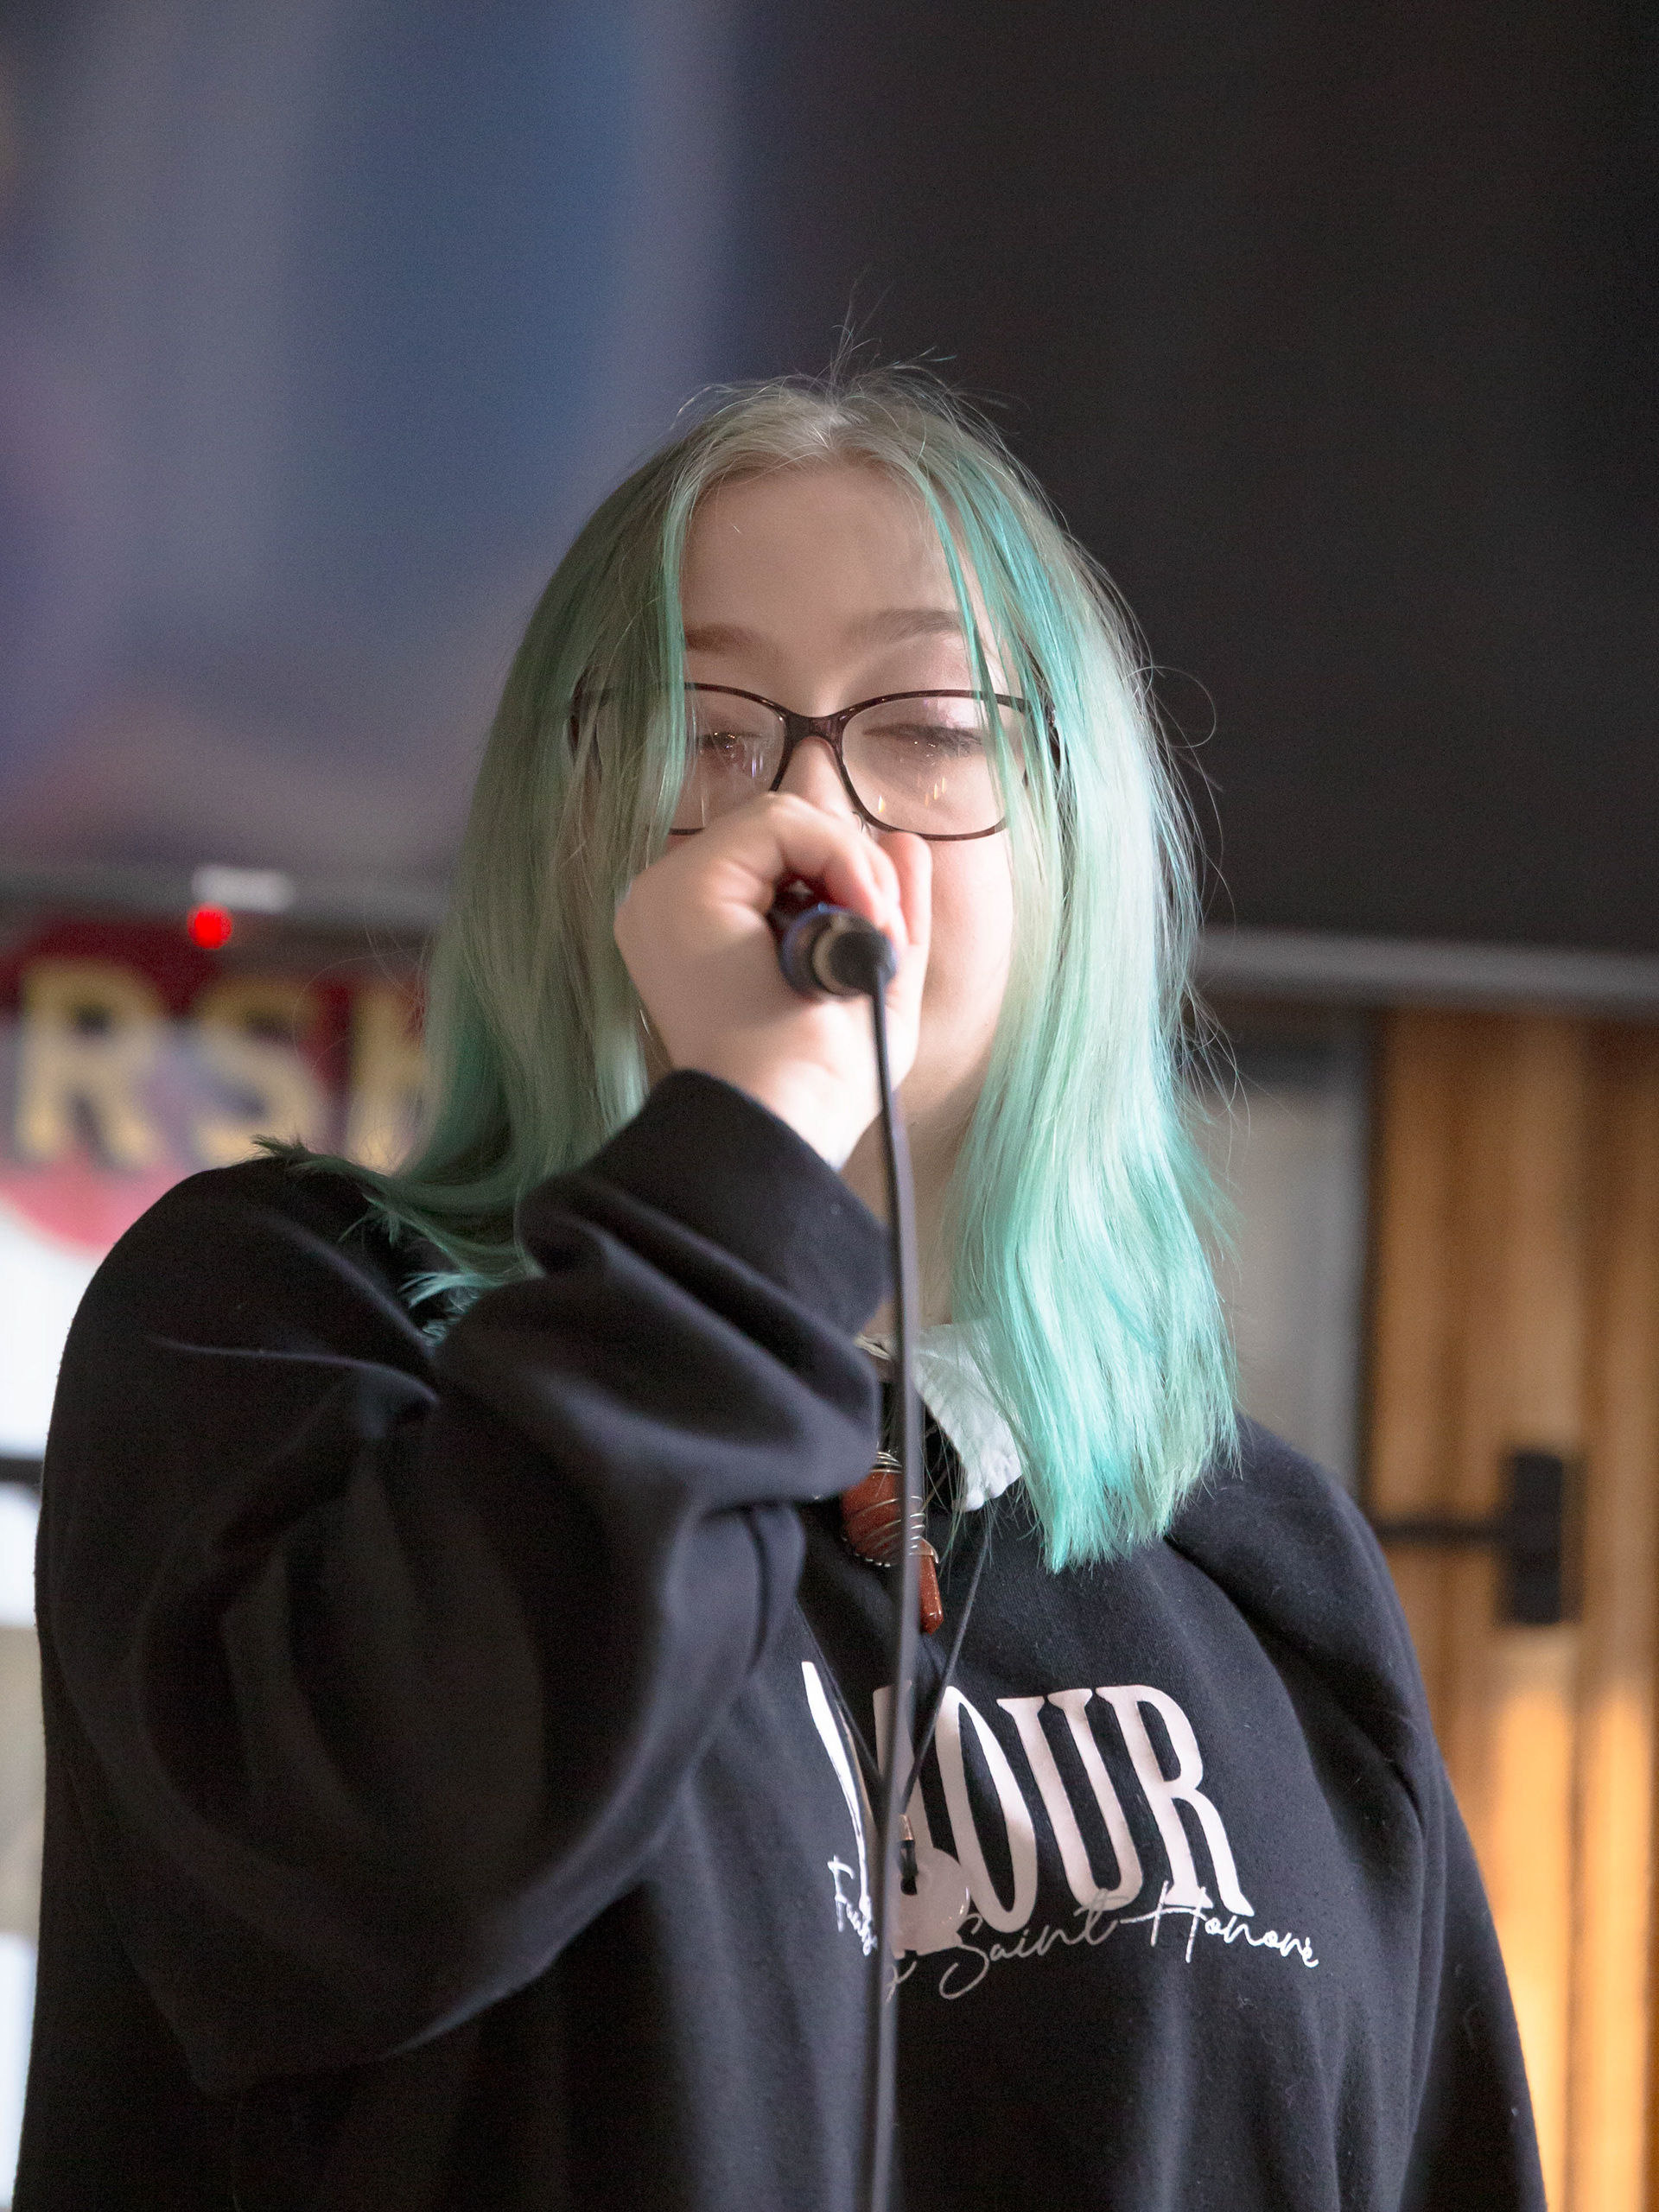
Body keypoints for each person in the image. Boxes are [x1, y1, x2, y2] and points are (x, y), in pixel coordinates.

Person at [16, 372, 1543, 2211]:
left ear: (1075, 837)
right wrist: (745, 1136)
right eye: (706, 730)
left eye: (930, 724)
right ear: (566, 834)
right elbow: (362, 1884)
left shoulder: (1259, 1555)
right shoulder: (282, 1327)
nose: (811, 809)